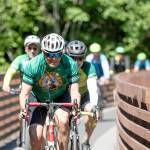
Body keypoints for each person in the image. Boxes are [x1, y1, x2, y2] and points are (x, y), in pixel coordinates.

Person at [19, 33, 81, 150]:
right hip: (38, 98)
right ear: (42, 51)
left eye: (57, 54)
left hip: (60, 96)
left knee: (63, 122)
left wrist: (76, 105)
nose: (53, 58)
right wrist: (23, 109)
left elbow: (74, 91)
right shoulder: (33, 65)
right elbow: (24, 93)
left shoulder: (70, 63)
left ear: (62, 51)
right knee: (35, 135)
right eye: (49, 54)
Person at [66, 40, 100, 150]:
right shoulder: (63, 66)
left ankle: (86, 141)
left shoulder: (89, 67)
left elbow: (93, 87)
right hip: (66, 97)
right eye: (73, 58)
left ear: (84, 58)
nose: (76, 61)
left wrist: (94, 105)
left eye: (80, 58)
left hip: (84, 96)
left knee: (92, 114)